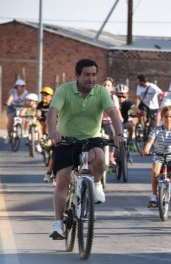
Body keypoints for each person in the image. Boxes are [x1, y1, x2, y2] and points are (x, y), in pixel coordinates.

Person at [47, 59, 124, 239]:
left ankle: (96, 184)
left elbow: (112, 113)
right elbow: (53, 112)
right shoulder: (64, 90)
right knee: (62, 182)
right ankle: (58, 223)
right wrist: (52, 131)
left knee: (100, 159)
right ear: (78, 75)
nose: (91, 79)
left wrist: (119, 134)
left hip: (91, 140)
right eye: (87, 75)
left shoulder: (101, 92)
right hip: (66, 141)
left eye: (93, 74)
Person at [141, 105, 171, 208]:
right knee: (155, 172)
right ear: (162, 118)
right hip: (159, 156)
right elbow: (150, 142)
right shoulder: (156, 130)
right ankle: (153, 197)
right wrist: (146, 150)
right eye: (166, 117)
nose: (168, 119)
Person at [37, 86, 55, 182]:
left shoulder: (53, 104)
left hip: (51, 124)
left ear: (51, 97)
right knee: (38, 126)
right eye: (43, 95)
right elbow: (38, 112)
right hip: (42, 122)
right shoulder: (40, 104)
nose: (44, 97)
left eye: (46, 95)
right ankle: (40, 140)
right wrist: (38, 115)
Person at [101, 77, 119, 166]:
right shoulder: (97, 96)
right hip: (98, 122)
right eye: (104, 85)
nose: (106, 87)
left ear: (112, 88)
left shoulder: (114, 98)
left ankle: (111, 156)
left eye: (108, 85)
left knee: (112, 134)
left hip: (108, 121)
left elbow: (115, 110)